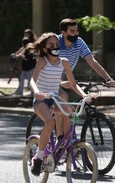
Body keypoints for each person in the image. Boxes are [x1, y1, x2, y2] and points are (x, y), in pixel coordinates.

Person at [28, 32, 88, 176]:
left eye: (57, 44)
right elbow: (32, 81)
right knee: (49, 122)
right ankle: (38, 157)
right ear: (44, 48)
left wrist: (85, 95)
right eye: (51, 45)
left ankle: (66, 142)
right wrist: (37, 92)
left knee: (72, 112)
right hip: (42, 99)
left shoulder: (64, 62)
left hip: (55, 98)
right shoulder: (42, 61)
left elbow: (73, 84)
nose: (55, 47)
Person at [55, 18, 115, 144]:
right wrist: (60, 82)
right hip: (54, 79)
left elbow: (92, 62)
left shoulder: (79, 42)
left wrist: (108, 79)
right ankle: (60, 137)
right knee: (63, 97)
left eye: (77, 30)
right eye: (72, 31)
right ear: (64, 32)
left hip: (69, 78)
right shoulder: (56, 43)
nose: (76, 33)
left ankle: (69, 138)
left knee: (82, 102)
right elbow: (48, 65)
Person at [14, 29, 37, 95]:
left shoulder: (31, 44)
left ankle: (32, 92)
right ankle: (20, 91)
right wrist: (17, 54)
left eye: (27, 34)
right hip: (25, 66)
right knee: (22, 78)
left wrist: (21, 56)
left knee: (30, 80)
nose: (25, 35)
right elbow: (22, 49)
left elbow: (28, 57)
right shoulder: (25, 43)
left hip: (30, 66)